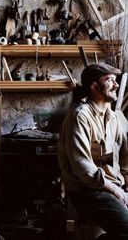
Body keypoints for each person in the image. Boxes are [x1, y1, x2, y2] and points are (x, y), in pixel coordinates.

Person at [57, 63, 128, 240]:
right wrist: (117, 192)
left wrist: (126, 183)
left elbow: (125, 155)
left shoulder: (113, 117)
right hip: (86, 189)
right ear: (94, 87)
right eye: (109, 80)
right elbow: (83, 167)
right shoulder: (80, 116)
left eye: (116, 80)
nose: (116, 85)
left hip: (111, 186)